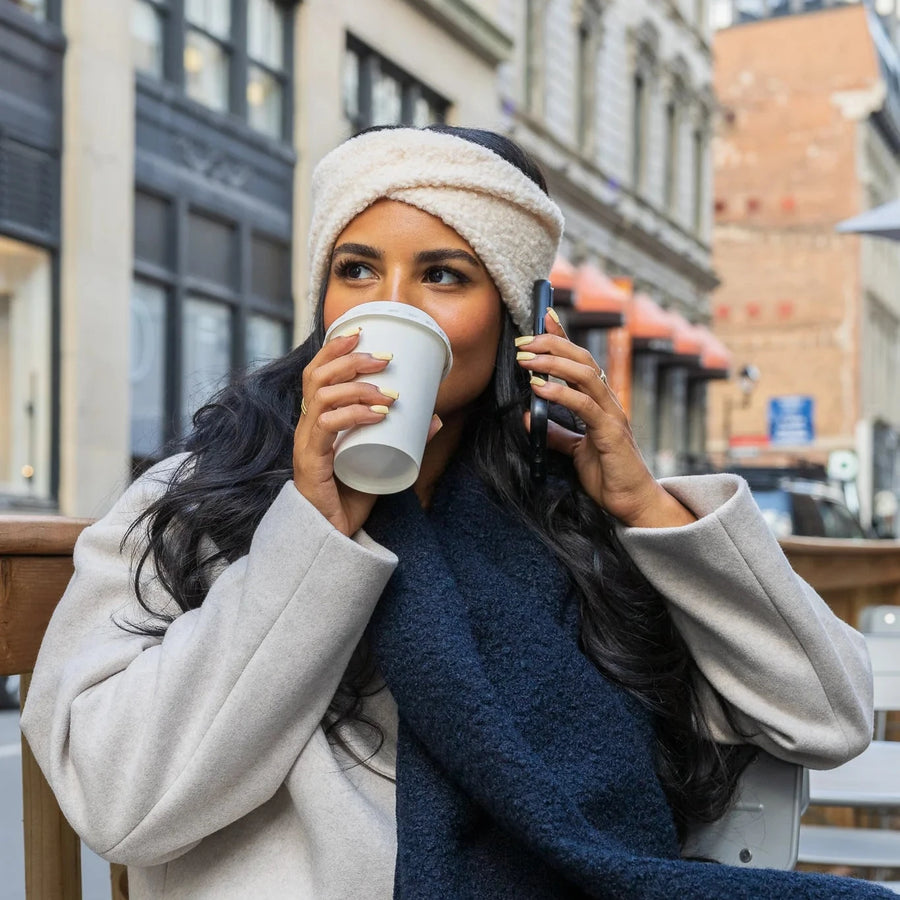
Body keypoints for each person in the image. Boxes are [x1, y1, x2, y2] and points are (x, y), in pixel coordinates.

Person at [20, 126, 891, 899]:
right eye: (356, 269)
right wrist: (315, 534)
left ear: (516, 317)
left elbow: (828, 715)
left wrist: (646, 506)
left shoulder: (575, 519)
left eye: (444, 274)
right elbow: (117, 803)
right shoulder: (198, 500)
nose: (389, 306)